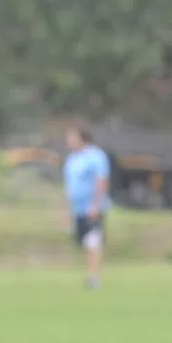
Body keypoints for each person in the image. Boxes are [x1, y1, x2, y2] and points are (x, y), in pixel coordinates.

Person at [63, 123, 111, 289]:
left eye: (72, 137)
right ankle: (90, 273)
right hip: (77, 209)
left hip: (92, 207)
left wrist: (96, 205)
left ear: (82, 138)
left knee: (93, 241)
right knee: (84, 243)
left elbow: (102, 180)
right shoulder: (72, 159)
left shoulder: (96, 156)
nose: (69, 140)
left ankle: (93, 277)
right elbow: (70, 186)